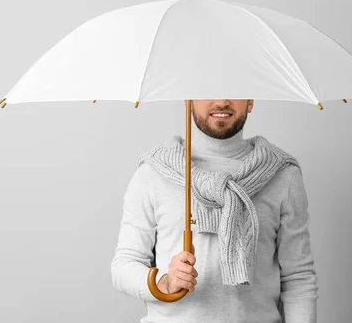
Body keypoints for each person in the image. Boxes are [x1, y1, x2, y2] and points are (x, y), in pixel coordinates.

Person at [111, 99, 318, 323]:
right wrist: (164, 283)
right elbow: (124, 265)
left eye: (233, 89)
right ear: (188, 101)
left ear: (250, 102)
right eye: (208, 90)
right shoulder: (153, 171)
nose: (221, 101)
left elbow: (298, 277)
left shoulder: (282, 174)